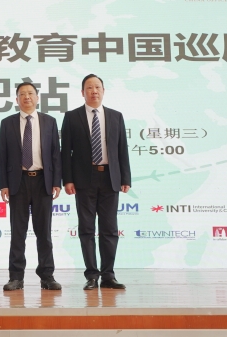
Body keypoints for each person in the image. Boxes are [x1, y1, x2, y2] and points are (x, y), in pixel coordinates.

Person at [61, 74, 131, 291]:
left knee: (110, 229)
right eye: (89, 88)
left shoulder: (115, 116)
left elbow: (122, 149)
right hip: (84, 179)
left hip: (110, 178)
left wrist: (125, 178)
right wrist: (67, 179)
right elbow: (66, 152)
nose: (94, 91)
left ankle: (108, 275)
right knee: (86, 229)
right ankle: (91, 275)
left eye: (97, 87)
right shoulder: (72, 117)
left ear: (103, 91)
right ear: (82, 92)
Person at [0, 82, 62, 291]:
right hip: (18, 182)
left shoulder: (49, 121)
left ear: (37, 97)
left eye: (30, 93)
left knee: (44, 233)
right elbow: (3, 155)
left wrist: (56, 181)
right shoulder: (7, 123)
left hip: (43, 181)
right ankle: (16, 277)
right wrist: (4, 184)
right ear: (16, 99)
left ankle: (47, 276)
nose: (27, 97)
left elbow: (55, 153)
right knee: (18, 233)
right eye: (22, 94)